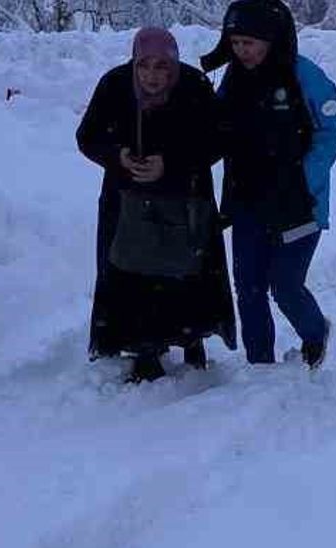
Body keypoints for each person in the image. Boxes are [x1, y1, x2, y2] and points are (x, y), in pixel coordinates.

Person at [76, 27, 237, 383]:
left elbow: (218, 138)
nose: (152, 76)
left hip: (186, 197)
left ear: (174, 65)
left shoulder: (194, 87)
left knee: (188, 271)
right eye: (144, 66)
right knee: (133, 273)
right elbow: (87, 136)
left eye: (162, 67)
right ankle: (144, 348)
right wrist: (118, 156)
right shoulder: (115, 85)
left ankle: (190, 337)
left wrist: (172, 161)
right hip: (127, 200)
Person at [201, 0, 336, 368]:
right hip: (247, 201)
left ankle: (315, 333)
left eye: (249, 43)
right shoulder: (233, 78)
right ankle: (260, 364)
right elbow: (218, 131)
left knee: (285, 286)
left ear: (272, 39)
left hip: (300, 206)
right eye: (235, 43)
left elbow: (331, 135)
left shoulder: (306, 76)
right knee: (248, 287)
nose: (241, 51)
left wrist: (299, 180)